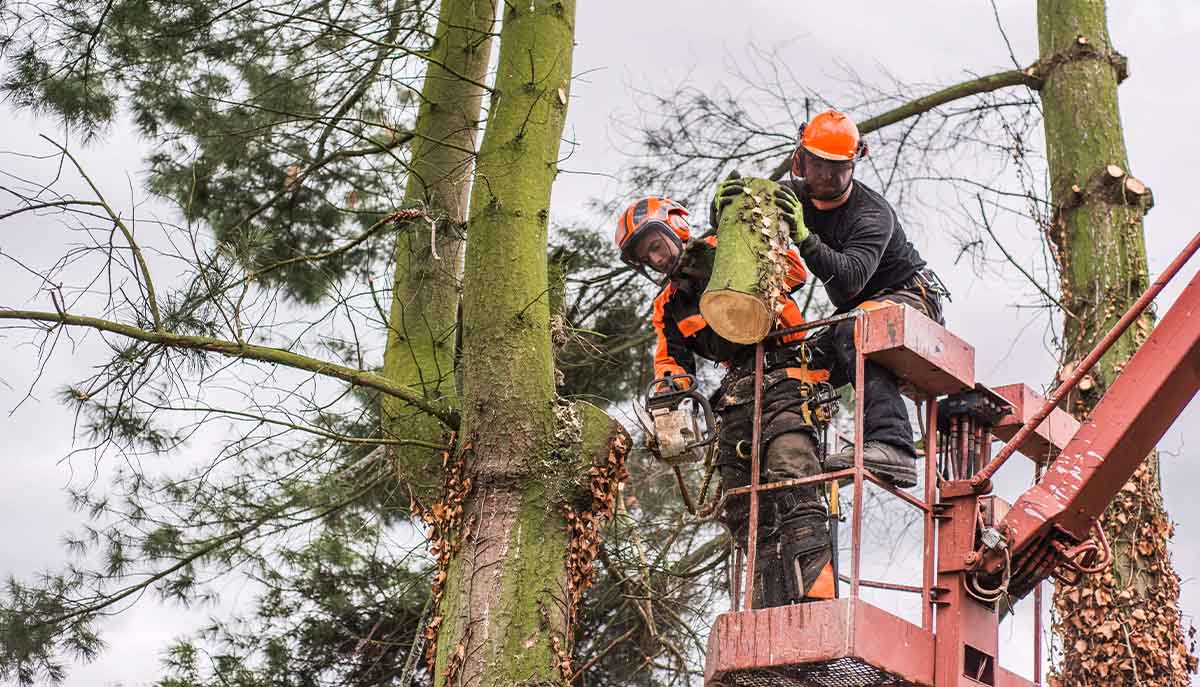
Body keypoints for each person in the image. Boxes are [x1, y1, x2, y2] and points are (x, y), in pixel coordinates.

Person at [615, 196, 835, 607]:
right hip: (736, 391)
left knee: (792, 472)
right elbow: (672, 362)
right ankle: (767, 608)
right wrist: (667, 395)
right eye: (648, 256)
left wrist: (748, 249)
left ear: (676, 229)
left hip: (786, 369)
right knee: (741, 504)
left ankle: (818, 600)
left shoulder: (727, 246)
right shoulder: (668, 306)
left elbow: (794, 271)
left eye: (657, 245)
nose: (657, 258)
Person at [718, 109, 949, 488]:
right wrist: (726, 212)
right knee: (790, 363)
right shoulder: (792, 196)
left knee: (854, 330)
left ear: (854, 164)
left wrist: (806, 238)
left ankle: (894, 447)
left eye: (836, 167)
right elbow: (747, 234)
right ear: (801, 159)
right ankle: (794, 462)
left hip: (909, 296)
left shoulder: (871, 214)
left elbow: (848, 285)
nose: (825, 175)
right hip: (857, 312)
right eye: (817, 163)